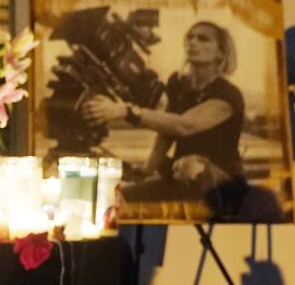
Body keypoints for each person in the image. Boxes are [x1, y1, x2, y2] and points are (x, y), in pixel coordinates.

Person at [83, 20, 253, 217]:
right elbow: (167, 130)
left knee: (191, 164)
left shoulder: (227, 95)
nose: (193, 42)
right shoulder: (179, 84)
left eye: (203, 39)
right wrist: (147, 171)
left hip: (221, 183)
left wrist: (127, 112)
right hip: (182, 177)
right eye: (190, 37)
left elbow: (184, 125)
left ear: (221, 53)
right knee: (119, 199)